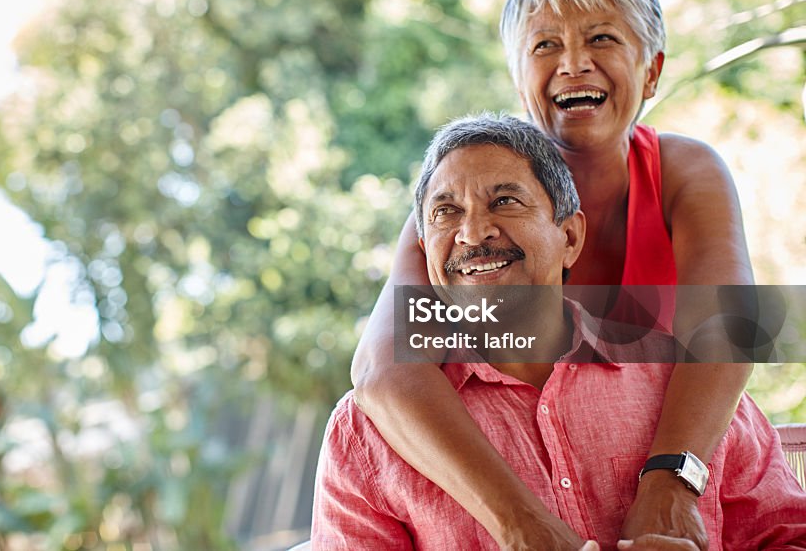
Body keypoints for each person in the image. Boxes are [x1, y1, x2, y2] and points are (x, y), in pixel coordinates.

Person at [351, 0, 756, 549]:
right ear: (519, 80)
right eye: (544, 46)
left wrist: (670, 485)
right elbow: (382, 373)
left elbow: (735, 329)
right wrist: (521, 523)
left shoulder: (686, 171)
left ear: (651, 70)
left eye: (601, 38)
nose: (573, 64)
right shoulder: (462, 209)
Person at [312, 115, 806, 549]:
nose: (473, 232)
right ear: (424, 249)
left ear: (570, 237)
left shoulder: (687, 387)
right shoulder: (365, 437)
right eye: (447, 212)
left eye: (504, 201)